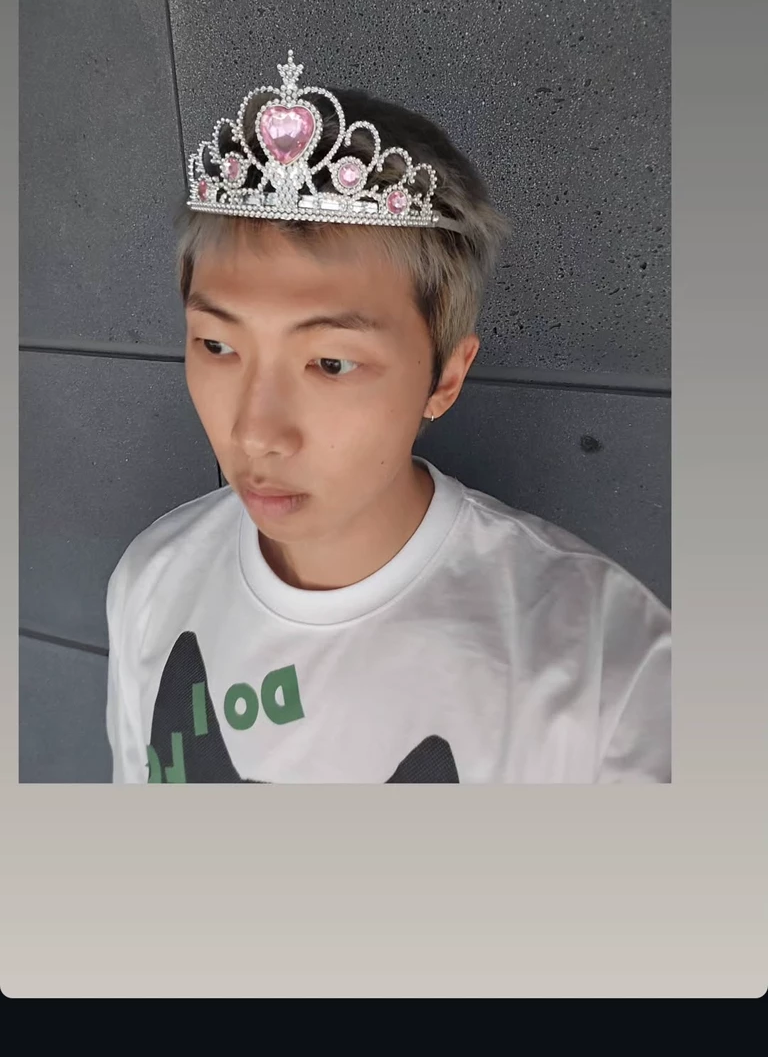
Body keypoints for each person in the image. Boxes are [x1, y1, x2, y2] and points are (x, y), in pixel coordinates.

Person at [105, 50, 670, 784]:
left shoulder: (607, 670)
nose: (254, 433)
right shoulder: (153, 579)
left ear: (446, 377)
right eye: (217, 346)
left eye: (330, 362)